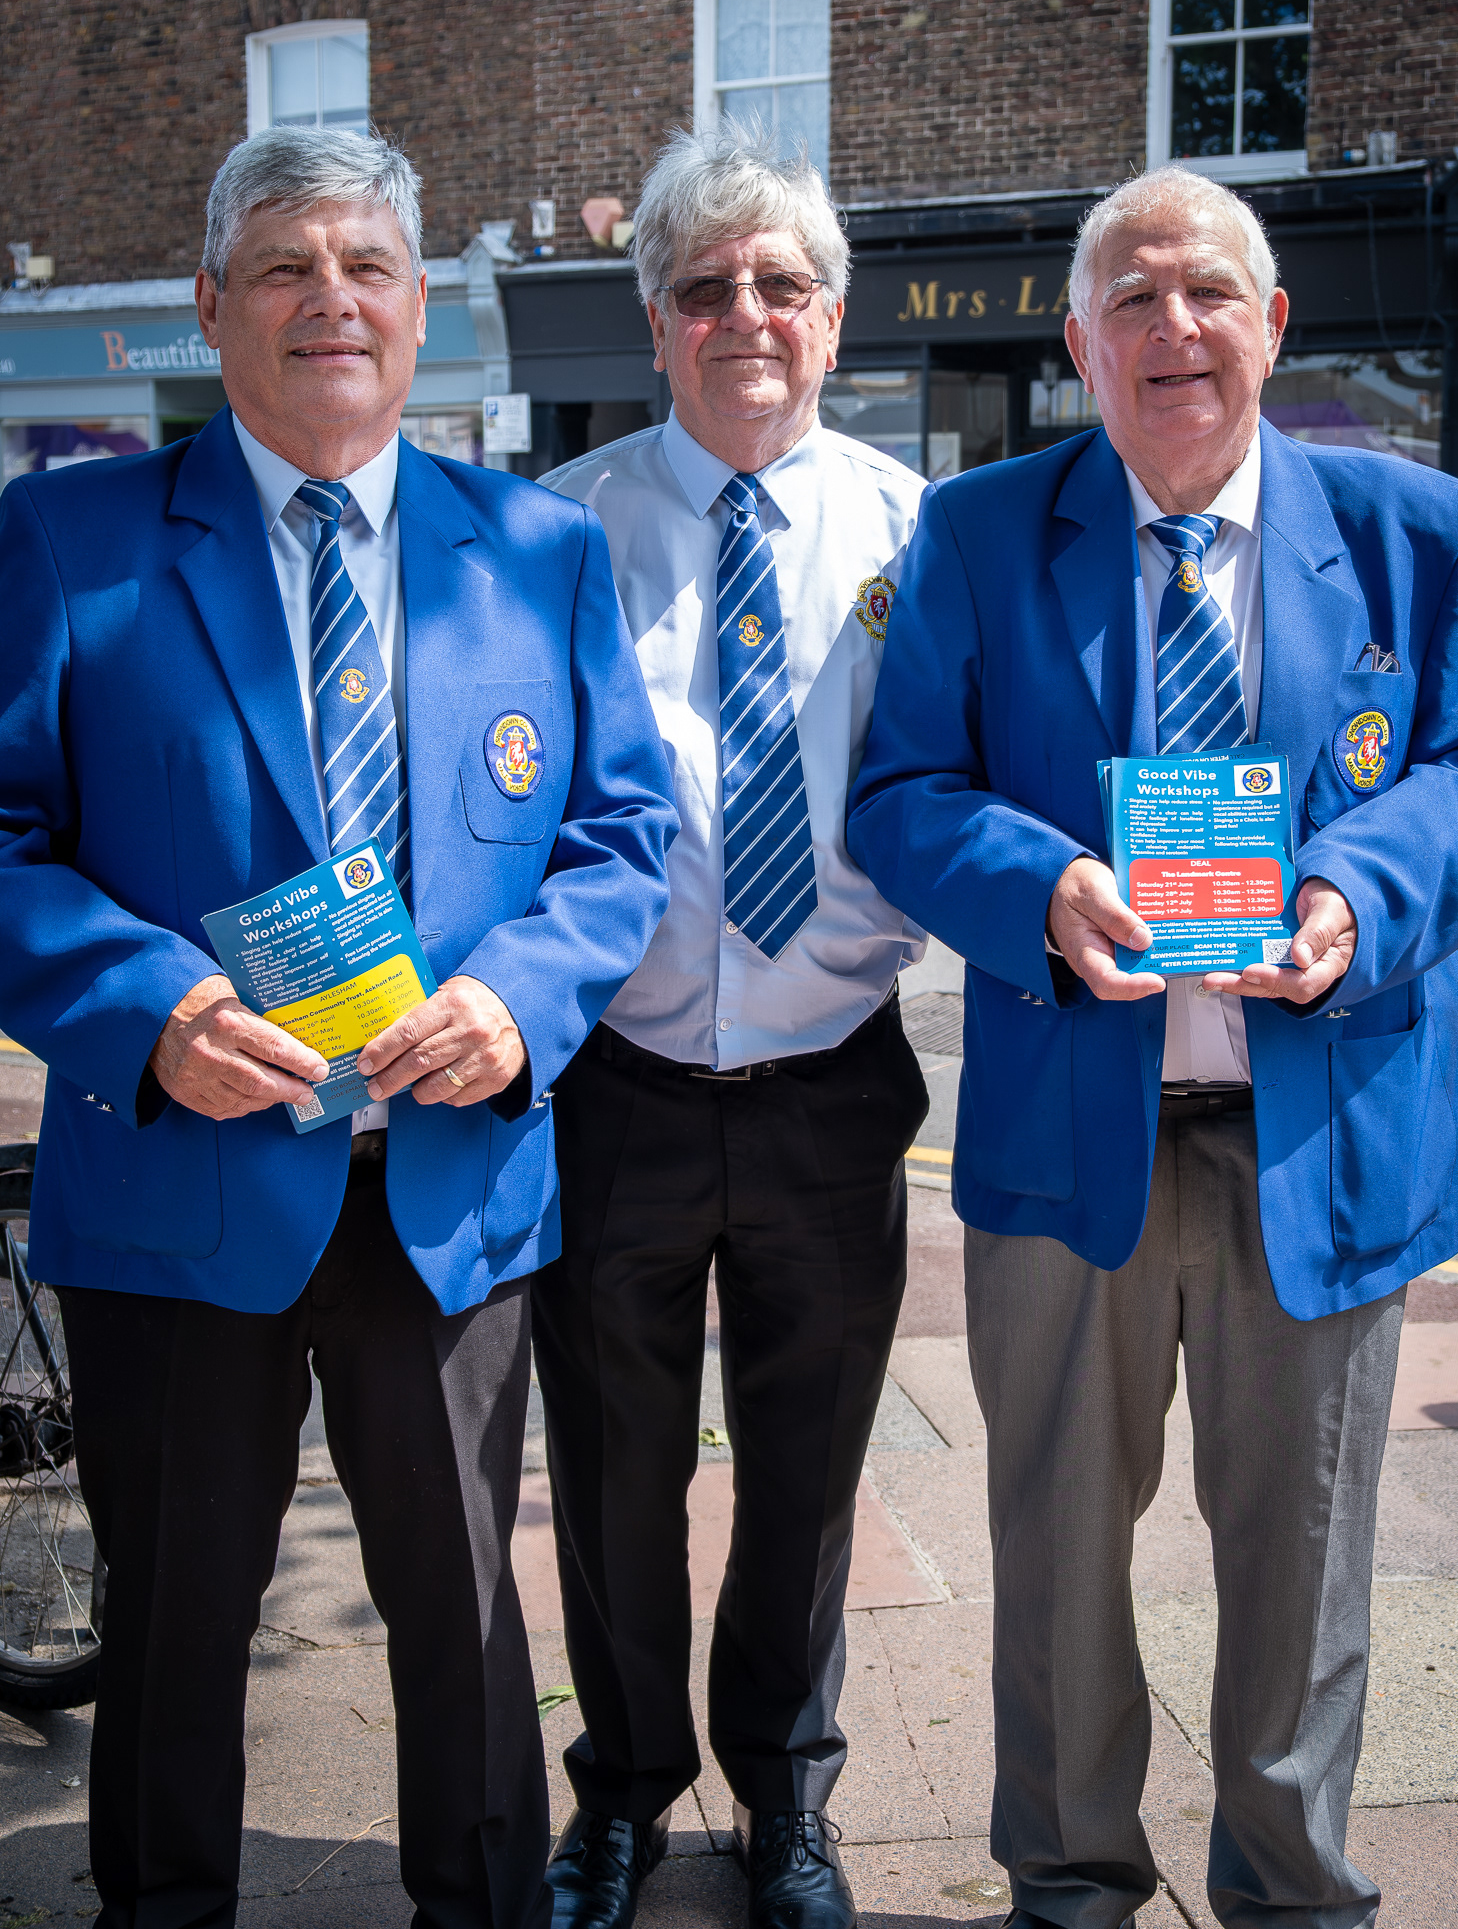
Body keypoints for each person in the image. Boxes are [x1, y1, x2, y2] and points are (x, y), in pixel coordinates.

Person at [0, 127, 676, 1929]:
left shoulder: (535, 547)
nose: (331, 301)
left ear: (422, 309)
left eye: (366, 267)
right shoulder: (67, 541)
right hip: (181, 1186)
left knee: (464, 1613)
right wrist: (142, 1007)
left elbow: (620, 834)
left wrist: (518, 1002)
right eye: (286, 268)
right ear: (210, 307)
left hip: (445, 1177)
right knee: (171, 1619)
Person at [848, 165, 1458, 1929]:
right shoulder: (979, 534)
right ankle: (1065, 1884)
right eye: (1129, 298)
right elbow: (899, 798)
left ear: (1272, 325)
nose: (1171, 328)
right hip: (1075, 1126)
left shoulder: (1423, 535)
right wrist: (1037, 885)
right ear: (1075, 341)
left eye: (1206, 292)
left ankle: (1290, 1895)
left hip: (1323, 1130)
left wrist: (1359, 892)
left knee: (1299, 1561)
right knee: (1052, 1554)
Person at [532, 126, 931, 1929]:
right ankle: (616, 1796)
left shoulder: (924, 532)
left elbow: (962, 783)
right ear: (653, 320)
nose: (744, 315)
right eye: (705, 289)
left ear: (832, 320)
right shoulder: (554, 539)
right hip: (608, 1087)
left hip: (833, 1086)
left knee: (805, 1477)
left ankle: (785, 1800)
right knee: (610, 1471)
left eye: (780, 285)